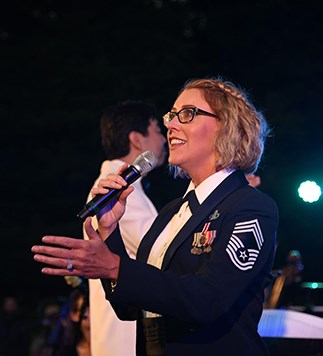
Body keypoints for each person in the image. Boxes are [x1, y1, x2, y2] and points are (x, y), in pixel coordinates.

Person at [32, 77, 279, 355]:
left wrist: (115, 266)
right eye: (171, 116)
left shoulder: (251, 207)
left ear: (227, 126)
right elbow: (132, 307)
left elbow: (209, 299)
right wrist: (110, 233)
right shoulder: (171, 213)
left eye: (187, 114)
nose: (170, 125)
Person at [84, 100, 167, 355]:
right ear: (137, 140)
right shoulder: (116, 192)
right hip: (124, 341)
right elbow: (166, 250)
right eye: (157, 131)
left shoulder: (124, 188)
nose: (164, 139)